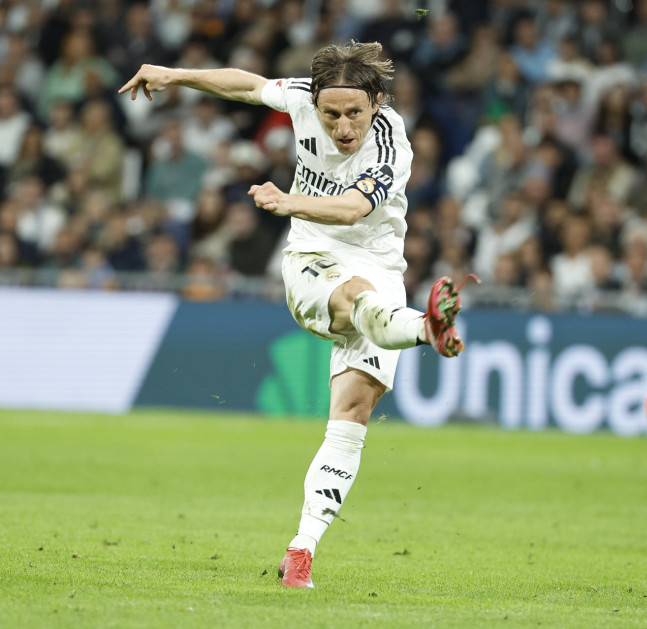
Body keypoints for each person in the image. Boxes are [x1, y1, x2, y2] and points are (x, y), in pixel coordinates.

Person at [119, 41, 475, 588]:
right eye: (331, 114)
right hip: (312, 258)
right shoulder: (302, 97)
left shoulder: (391, 141)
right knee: (356, 298)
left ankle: (301, 551)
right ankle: (425, 328)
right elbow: (246, 84)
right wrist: (176, 74)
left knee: (352, 413)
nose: (342, 127)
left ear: (376, 103)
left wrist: (289, 202)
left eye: (354, 113)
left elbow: (353, 208)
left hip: (379, 262)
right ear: (316, 104)